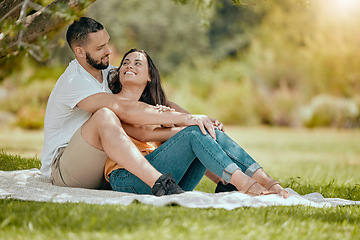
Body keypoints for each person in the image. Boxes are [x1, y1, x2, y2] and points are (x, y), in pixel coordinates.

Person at [40, 17, 220, 196]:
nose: (108, 50)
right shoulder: (74, 81)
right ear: (79, 51)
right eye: (100, 47)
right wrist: (187, 120)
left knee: (172, 124)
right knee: (105, 115)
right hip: (64, 169)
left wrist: (197, 120)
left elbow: (154, 101)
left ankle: (224, 181)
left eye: (107, 43)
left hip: (102, 163)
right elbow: (124, 108)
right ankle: (159, 184)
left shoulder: (109, 72)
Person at [104, 49, 290, 198]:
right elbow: (143, 135)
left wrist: (210, 124)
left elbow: (196, 123)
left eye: (137, 63)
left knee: (203, 130)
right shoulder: (115, 103)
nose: (129, 66)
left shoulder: (160, 105)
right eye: (125, 63)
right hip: (128, 179)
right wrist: (183, 129)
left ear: (149, 76)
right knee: (195, 132)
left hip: (168, 181)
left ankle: (267, 181)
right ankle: (244, 184)